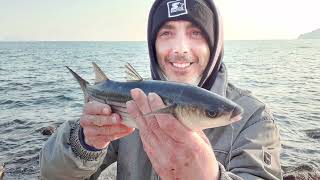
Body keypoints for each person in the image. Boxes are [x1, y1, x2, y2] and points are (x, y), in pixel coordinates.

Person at [40, 0, 282, 179]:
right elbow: (52, 175)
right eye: (166, 33)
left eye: (195, 33)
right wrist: (86, 144)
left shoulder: (253, 116)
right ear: (152, 45)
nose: (180, 48)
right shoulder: (133, 101)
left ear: (214, 44)